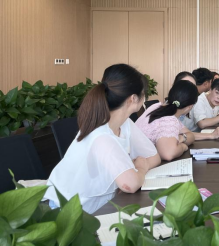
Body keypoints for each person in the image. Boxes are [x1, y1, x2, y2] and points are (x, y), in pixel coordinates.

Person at [44, 64, 162, 214]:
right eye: (143, 94)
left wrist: (134, 171)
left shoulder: (124, 124)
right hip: (66, 213)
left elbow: (154, 157)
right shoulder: (101, 135)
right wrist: (141, 168)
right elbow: (130, 184)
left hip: (97, 207)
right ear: (133, 98)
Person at [136, 81, 199, 161]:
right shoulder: (170, 119)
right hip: (137, 163)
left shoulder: (157, 106)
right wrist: (183, 147)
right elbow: (168, 154)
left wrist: (182, 137)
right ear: (190, 107)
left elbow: (190, 135)